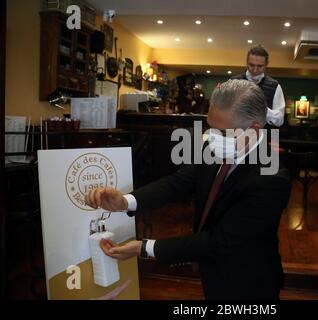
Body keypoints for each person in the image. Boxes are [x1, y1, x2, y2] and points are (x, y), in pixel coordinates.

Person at [84, 80, 291, 300]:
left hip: (247, 281)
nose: (213, 137)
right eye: (210, 127)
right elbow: (178, 183)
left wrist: (144, 248)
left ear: (254, 129)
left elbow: (219, 242)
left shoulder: (272, 177)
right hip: (210, 271)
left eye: (222, 131)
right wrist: (125, 202)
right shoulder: (215, 147)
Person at [232, 45, 286, 127]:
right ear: (246, 62)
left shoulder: (275, 86)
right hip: (235, 133)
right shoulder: (233, 82)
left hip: (264, 135)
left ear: (266, 64)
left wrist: (261, 109)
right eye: (251, 65)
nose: (255, 69)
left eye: (260, 66)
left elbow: (280, 120)